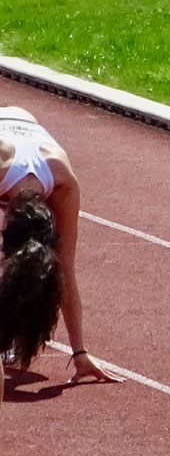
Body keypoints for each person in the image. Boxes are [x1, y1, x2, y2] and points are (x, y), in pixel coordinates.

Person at [1, 107, 110, 382]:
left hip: (28, 140)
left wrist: (80, 353)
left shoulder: (64, 185)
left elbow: (66, 271)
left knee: (41, 270)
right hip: (9, 126)